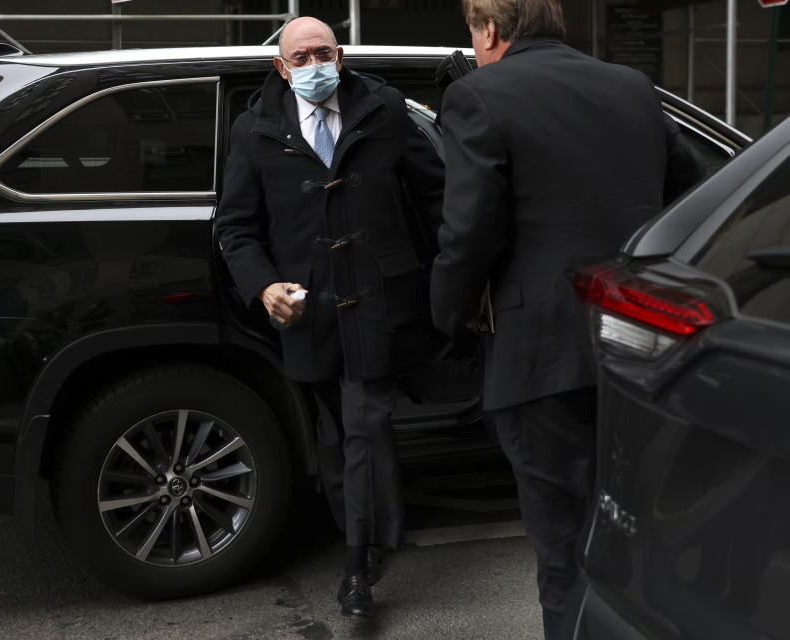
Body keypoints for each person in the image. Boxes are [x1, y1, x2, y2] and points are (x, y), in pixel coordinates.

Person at [429, 1, 703, 638]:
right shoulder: (631, 86)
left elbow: (468, 235)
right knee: (640, 540)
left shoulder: (476, 95)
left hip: (539, 356)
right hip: (640, 348)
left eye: (471, 31)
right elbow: (690, 192)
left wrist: (447, 320)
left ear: (489, 30)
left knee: (564, 552)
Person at [215, 16, 444, 620]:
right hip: (307, 307)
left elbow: (435, 196)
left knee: (365, 420)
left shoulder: (384, 109)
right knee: (334, 433)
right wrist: (264, 287)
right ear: (281, 67)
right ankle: (372, 536)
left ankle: (355, 569)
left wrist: (446, 278)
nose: (315, 65)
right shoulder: (255, 129)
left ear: (339, 56)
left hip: (377, 298)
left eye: (324, 53)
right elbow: (234, 227)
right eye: (302, 57)